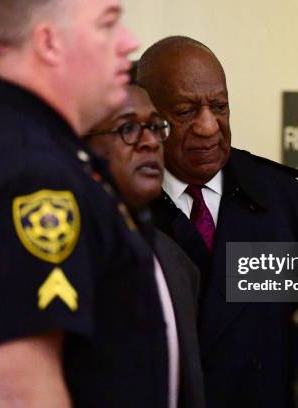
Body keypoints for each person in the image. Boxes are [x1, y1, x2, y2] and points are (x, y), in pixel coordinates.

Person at [0, 1, 179, 407]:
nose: (129, 41)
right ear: (49, 43)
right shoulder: (31, 170)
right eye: (108, 25)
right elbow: (26, 389)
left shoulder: (32, 149)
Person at [137, 36, 298, 408]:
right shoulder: (125, 207)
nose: (208, 127)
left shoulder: (280, 198)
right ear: (149, 118)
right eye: (186, 111)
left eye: (219, 107)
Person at [85, 82, 206, 408]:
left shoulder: (178, 263)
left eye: (155, 127)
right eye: (128, 128)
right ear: (83, 148)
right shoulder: (67, 255)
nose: (151, 142)